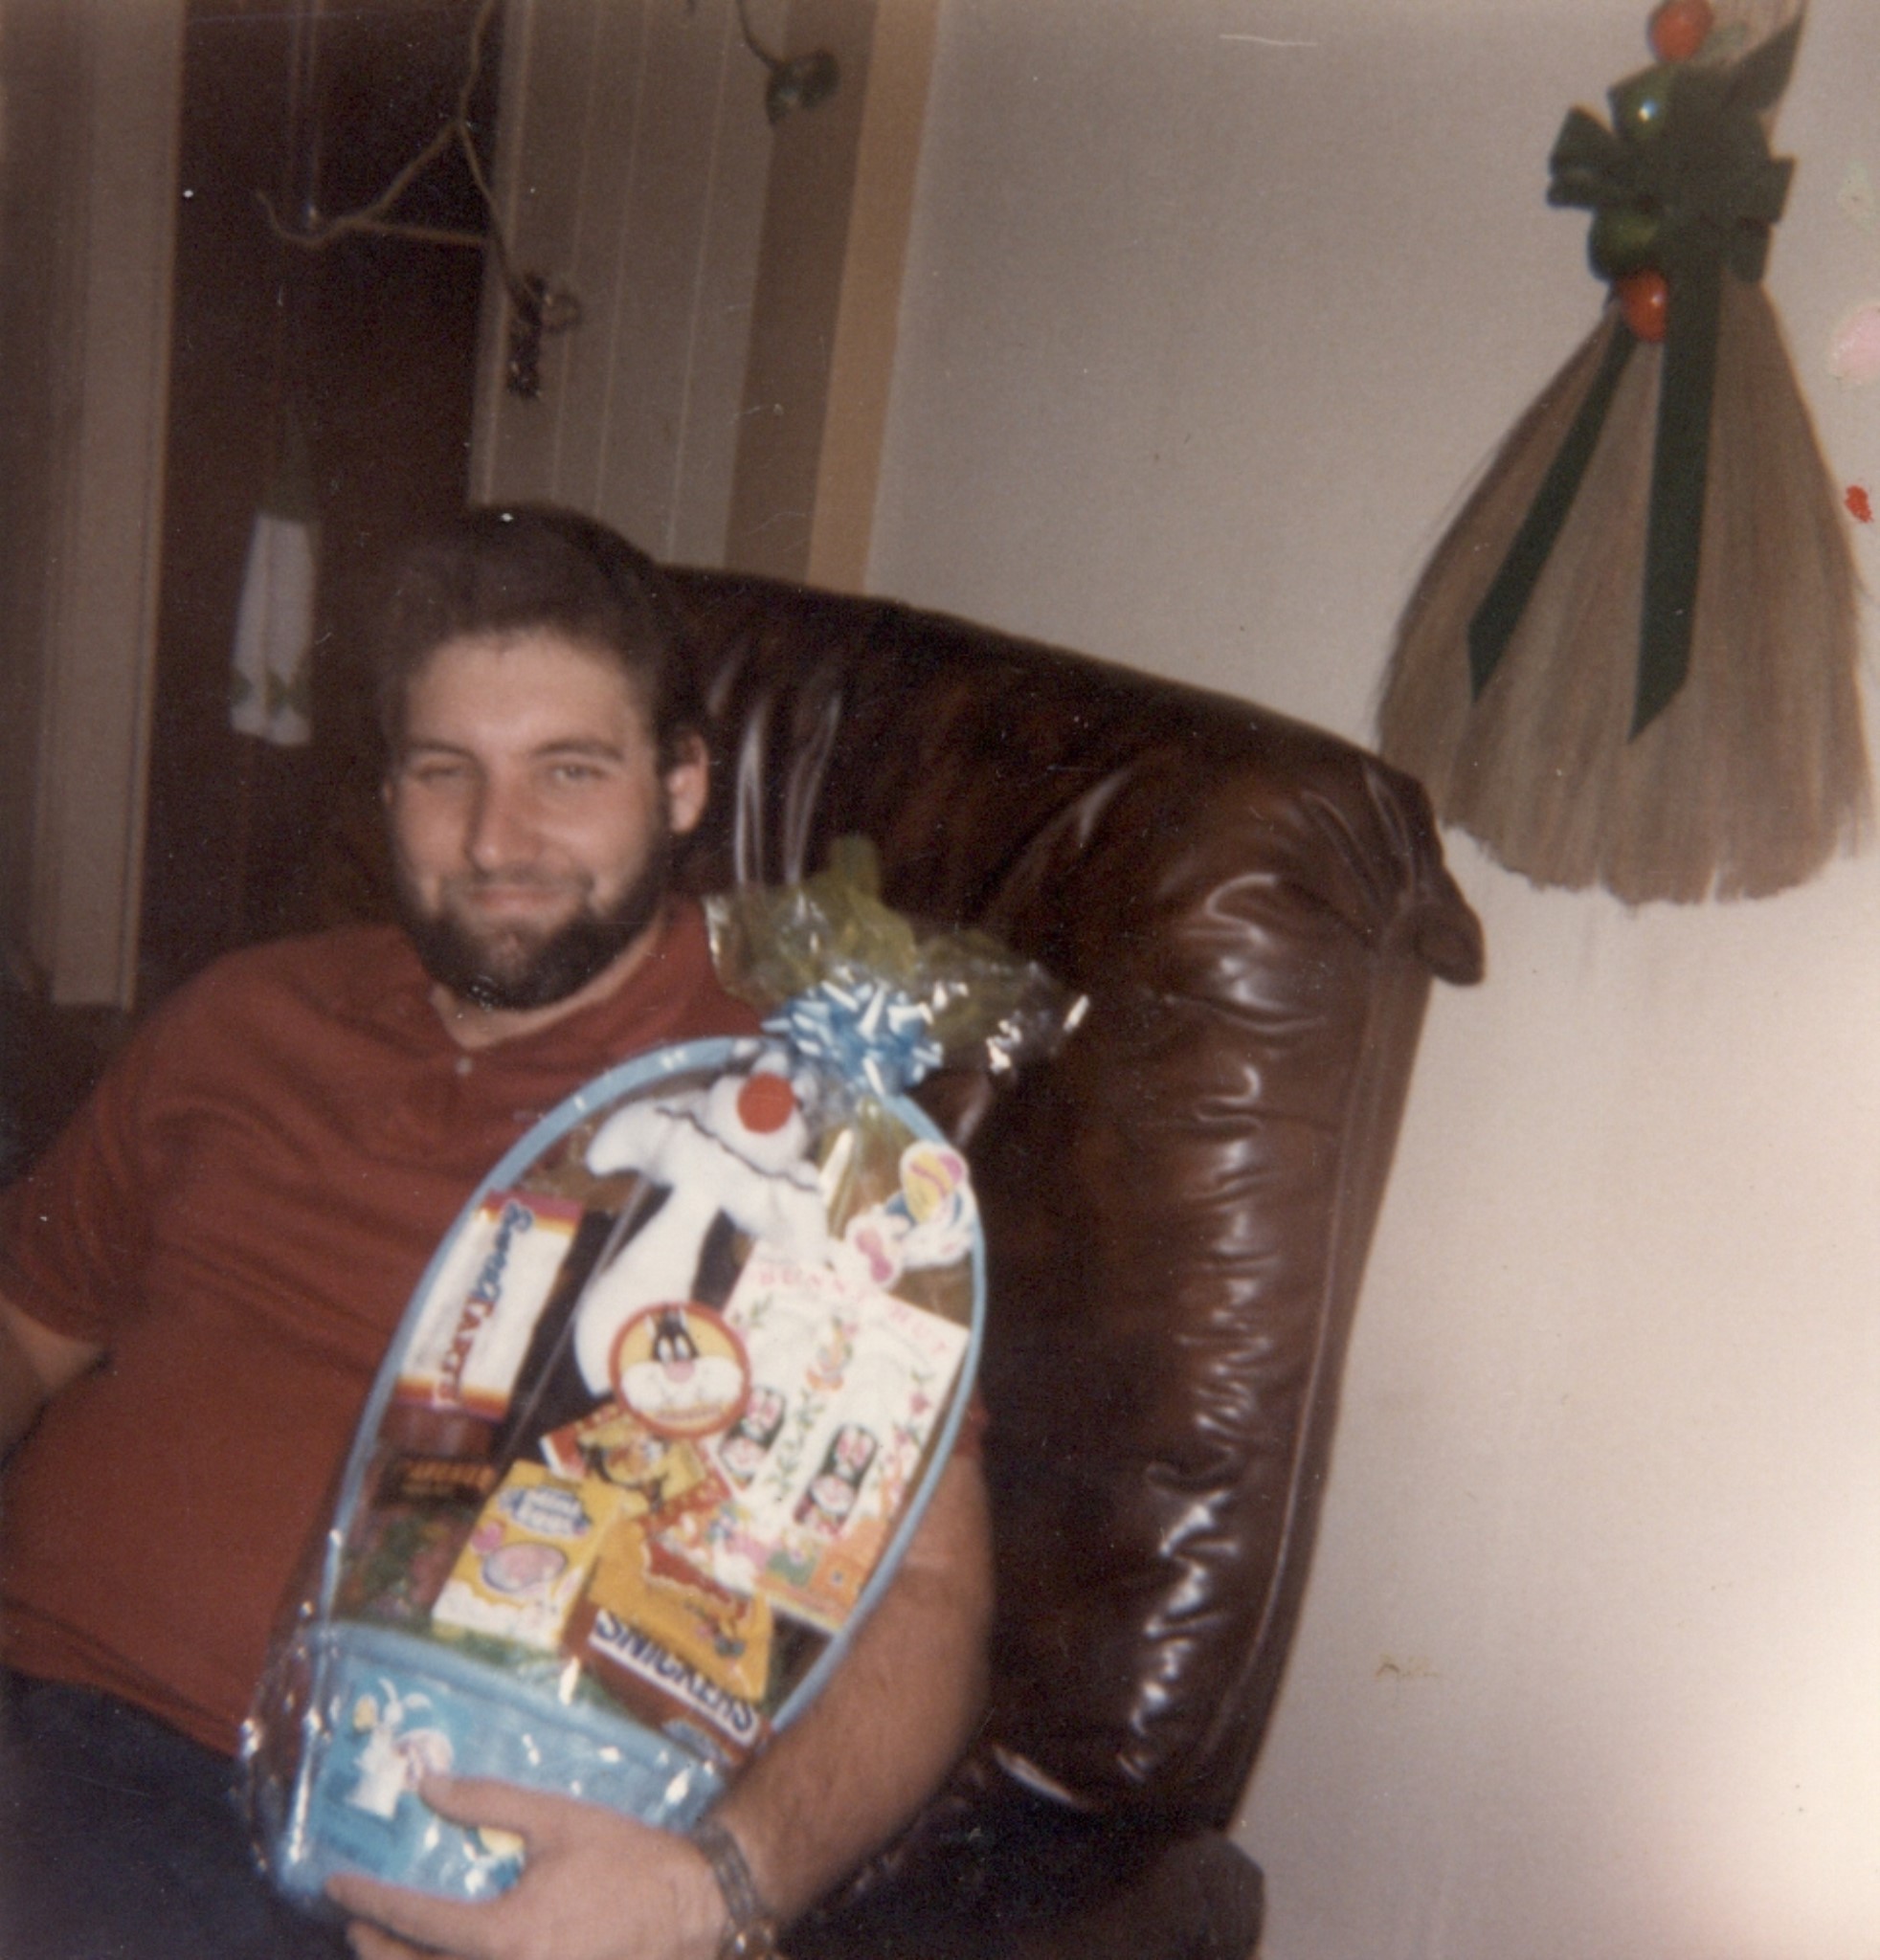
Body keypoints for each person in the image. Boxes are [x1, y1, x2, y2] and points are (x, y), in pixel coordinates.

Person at [0, 506, 994, 1960]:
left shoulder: (784, 1133)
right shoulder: (244, 1014)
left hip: (327, 1824)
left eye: (568, 772)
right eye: (443, 772)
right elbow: (28, 1327)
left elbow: (929, 1595)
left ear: (680, 786)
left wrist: (714, 1885)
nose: (494, 841)